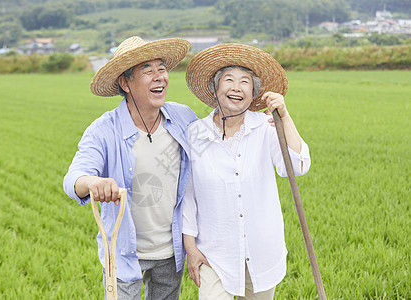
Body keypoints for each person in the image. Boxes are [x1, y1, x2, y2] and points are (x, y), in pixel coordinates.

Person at [63, 36, 197, 300]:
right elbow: (74, 178)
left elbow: (216, 140)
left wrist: (258, 125)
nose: (159, 76)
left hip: (171, 252)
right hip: (123, 253)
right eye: (147, 70)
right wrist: (92, 183)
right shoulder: (104, 130)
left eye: (162, 67)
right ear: (125, 83)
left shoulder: (183, 117)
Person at [182, 43, 311, 300]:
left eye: (245, 82)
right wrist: (190, 247)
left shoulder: (266, 127)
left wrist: (284, 117)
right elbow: (187, 197)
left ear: (253, 94)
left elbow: (298, 166)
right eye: (228, 80)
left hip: (262, 252)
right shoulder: (195, 133)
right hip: (214, 254)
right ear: (214, 89)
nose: (236, 87)